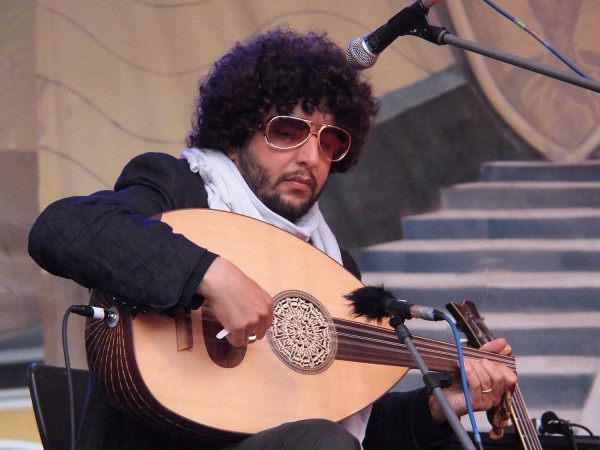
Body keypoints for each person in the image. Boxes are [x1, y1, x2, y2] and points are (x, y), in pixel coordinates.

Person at [29, 28, 517, 449]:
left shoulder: (333, 266)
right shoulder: (182, 189)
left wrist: (439, 408)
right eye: (289, 130)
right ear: (239, 129)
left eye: (329, 141)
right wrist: (209, 274)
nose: (310, 156)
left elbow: (345, 426)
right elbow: (62, 228)